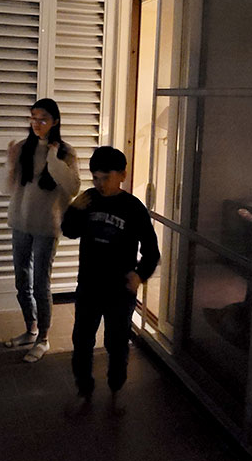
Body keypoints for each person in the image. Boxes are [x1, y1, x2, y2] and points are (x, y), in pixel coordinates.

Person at [61, 146, 159, 414]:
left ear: (122, 175)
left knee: (116, 342)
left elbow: (152, 251)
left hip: (120, 289)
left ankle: (116, 388)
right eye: (95, 178)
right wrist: (73, 210)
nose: (100, 184)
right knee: (82, 340)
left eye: (106, 178)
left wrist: (139, 274)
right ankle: (84, 389)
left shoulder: (133, 208)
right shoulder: (88, 199)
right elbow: (69, 231)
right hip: (89, 285)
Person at [0, 98, 81, 362]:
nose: (36, 123)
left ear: (55, 122)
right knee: (21, 281)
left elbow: (73, 188)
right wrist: (10, 162)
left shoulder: (66, 152)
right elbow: (5, 188)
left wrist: (53, 159)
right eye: (33, 118)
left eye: (43, 119)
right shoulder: (23, 148)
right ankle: (30, 329)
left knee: (40, 283)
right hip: (21, 222)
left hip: (47, 225)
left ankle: (43, 338)